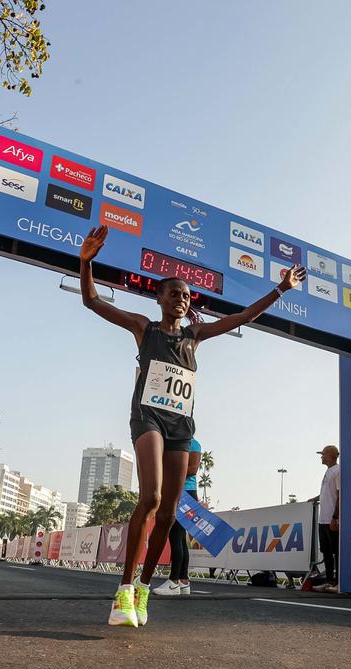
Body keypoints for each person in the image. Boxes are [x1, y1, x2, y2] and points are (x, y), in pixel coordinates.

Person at [78, 225, 306, 627]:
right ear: (159, 298)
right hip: (148, 418)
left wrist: (280, 290)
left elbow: (243, 316)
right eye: (174, 294)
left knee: (168, 514)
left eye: (186, 295)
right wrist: (85, 263)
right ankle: (123, 590)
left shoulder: (195, 336)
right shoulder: (144, 328)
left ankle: (143, 589)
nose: (181, 299)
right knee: (151, 498)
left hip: (181, 426)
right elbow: (92, 301)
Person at [154, 437, 203, 596]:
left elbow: (193, 469)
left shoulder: (193, 444)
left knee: (176, 536)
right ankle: (183, 581)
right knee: (180, 538)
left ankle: (173, 582)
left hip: (185, 493)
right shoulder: (177, 442)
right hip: (178, 491)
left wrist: (168, 473)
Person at [310, 445, 340, 592]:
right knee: (326, 552)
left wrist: (335, 517)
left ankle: (339, 583)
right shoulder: (328, 471)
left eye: (323, 454)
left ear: (330, 455)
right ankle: (329, 582)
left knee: (336, 552)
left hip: (331, 519)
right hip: (323, 519)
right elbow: (327, 493)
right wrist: (315, 498)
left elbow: (340, 494)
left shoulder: (338, 470)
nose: (321, 457)